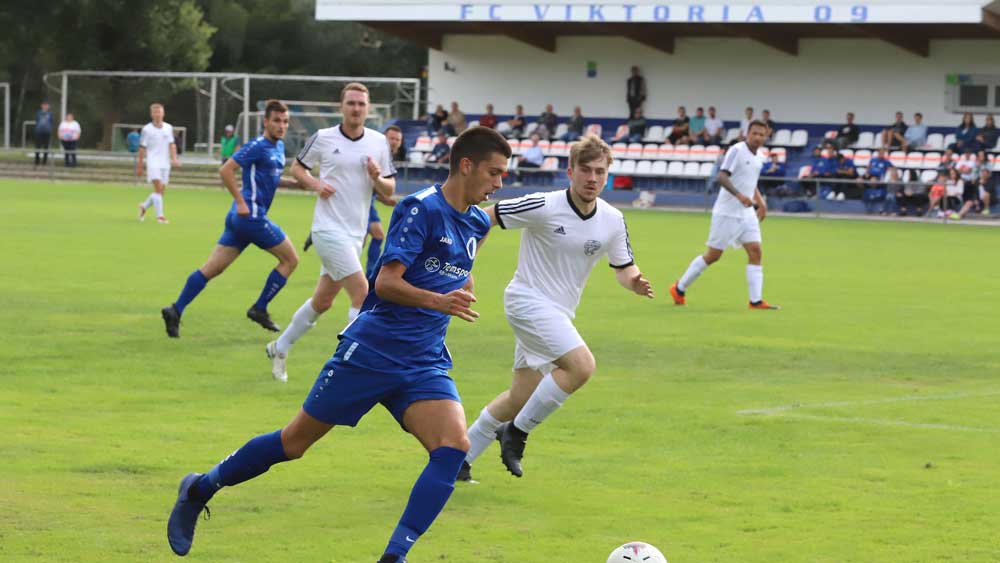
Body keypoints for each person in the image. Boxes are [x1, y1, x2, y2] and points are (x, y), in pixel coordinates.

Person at [166, 127, 512, 563]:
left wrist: (460, 289)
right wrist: (439, 300)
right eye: (494, 173)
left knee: (453, 448)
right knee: (293, 443)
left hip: (423, 362)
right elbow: (385, 284)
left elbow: (459, 268)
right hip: (371, 353)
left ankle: (395, 556)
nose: (499, 183)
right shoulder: (419, 208)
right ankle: (200, 488)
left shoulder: (478, 221)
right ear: (467, 165)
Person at [461, 134, 653, 481]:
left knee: (520, 397)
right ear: (570, 171)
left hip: (558, 313)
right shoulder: (543, 205)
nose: (592, 178)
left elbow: (624, 268)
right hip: (526, 300)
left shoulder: (612, 219)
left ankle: (458, 460)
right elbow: (482, 218)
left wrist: (635, 282)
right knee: (581, 366)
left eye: (599, 172)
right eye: (585, 170)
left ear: (607, 175)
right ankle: (515, 434)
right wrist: (464, 268)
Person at [265, 83, 396, 383]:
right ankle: (351, 367)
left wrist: (377, 177)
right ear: (342, 107)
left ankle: (279, 347)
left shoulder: (377, 142)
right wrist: (315, 184)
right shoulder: (323, 138)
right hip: (326, 230)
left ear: (368, 108)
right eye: (351, 103)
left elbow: (390, 188)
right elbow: (297, 169)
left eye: (361, 104)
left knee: (322, 301)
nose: (356, 109)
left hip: (355, 234)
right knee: (362, 293)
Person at [159, 100, 299, 339]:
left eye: (285, 121)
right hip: (250, 216)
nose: (281, 125)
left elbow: (270, 178)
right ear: (265, 121)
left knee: (211, 269)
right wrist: (241, 201)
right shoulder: (257, 145)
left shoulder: (279, 147)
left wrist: (299, 184)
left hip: (240, 220)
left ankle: (175, 310)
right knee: (290, 260)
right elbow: (225, 170)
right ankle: (260, 308)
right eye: (276, 120)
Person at [669, 120, 778, 310]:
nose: (758, 137)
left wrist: (760, 202)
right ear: (747, 133)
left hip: (746, 214)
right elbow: (722, 176)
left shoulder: (760, 156)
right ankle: (679, 288)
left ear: (766, 136)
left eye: (762, 134)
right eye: (754, 133)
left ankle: (756, 301)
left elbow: (750, 182)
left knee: (756, 251)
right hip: (727, 212)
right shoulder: (737, 150)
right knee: (713, 255)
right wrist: (739, 195)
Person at [136, 103, 180, 224]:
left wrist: (174, 158)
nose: (157, 114)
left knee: (160, 192)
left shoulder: (168, 128)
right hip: (152, 162)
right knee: (158, 188)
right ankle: (160, 217)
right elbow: (141, 149)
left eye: (159, 112)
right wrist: (139, 166)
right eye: (155, 112)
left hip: (165, 163)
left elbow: (172, 144)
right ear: (151, 114)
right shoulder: (146, 129)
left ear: (163, 113)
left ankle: (144, 206)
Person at [34, 101, 53, 167]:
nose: (45, 106)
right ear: (42, 106)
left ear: (48, 106)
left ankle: (44, 162)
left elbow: (51, 122)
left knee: (46, 147)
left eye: (46, 105)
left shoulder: (50, 114)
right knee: (37, 146)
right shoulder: (38, 113)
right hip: (39, 132)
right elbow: (36, 121)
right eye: (44, 105)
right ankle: (37, 161)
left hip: (47, 132)